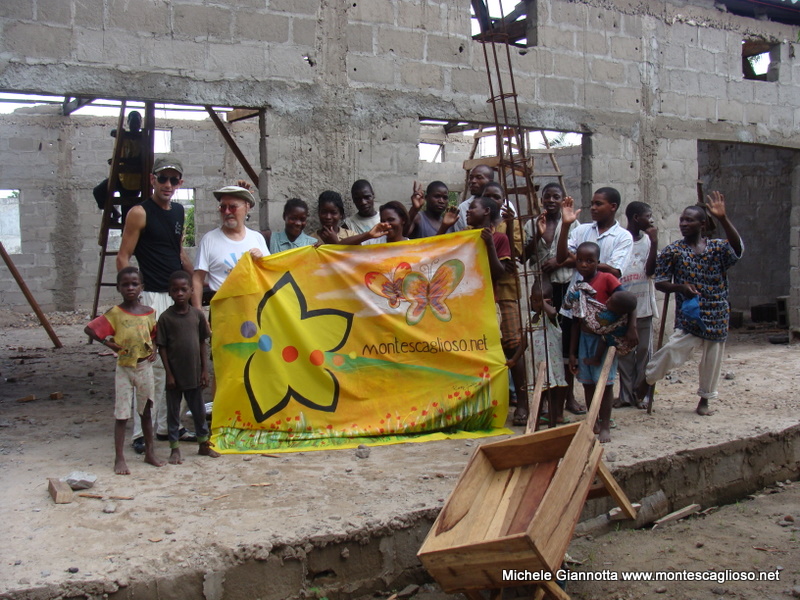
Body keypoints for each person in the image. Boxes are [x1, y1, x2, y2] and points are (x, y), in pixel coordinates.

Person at [117, 155, 195, 454]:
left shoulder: (178, 211)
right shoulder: (139, 213)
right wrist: (132, 300)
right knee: (147, 365)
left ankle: (167, 426)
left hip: (176, 298)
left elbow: (178, 252)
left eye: (173, 180)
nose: (167, 184)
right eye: (162, 178)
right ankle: (141, 432)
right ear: (153, 180)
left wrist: (196, 283)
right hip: (150, 297)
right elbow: (124, 256)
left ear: (180, 183)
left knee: (178, 363)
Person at [644, 192, 743, 416]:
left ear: (702, 224)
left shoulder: (717, 248)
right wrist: (680, 287)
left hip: (717, 313)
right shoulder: (674, 251)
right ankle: (647, 380)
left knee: (712, 360)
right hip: (690, 315)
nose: (684, 224)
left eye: (689, 220)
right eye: (682, 220)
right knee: (671, 350)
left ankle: (705, 400)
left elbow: (737, 250)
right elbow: (660, 282)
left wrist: (723, 218)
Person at [556, 187, 633, 415]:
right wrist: (566, 226)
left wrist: (579, 261)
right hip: (576, 308)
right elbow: (561, 257)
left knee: (603, 369)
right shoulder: (582, 230)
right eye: (592, 203)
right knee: (572, 358)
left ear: (613, 207)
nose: (593, 208)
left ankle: (603, 416)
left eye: (599, 204)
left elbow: (615, 270)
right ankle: (573, 402)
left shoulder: (623, 237)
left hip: (604, 313)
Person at [84, 267, 164, 474]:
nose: (130, 288)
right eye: (125, 285)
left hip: (144, 367)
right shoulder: (115, 313)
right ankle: (119, 458)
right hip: (125, 369)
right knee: (121, 415)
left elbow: (154, 334)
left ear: (142, 287)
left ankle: (150, 453)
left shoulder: (149, 312)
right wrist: (108, 343)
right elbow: (90, 329)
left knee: (146, 411)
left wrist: (154, 349)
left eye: (134, 284)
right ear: (118, 288)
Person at [564, 242, 636, 443]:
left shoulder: (607, 279)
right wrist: (572, 353)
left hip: (605, 339)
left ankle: (605, 425)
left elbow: (629, 302)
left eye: (589, 261)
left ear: (598, 261)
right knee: (587, 383)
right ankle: (593, 420)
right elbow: (576, 322)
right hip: (585, 339)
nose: (583, 265)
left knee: (605, 383)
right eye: (579, 260)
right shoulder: (579, 288)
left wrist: (632, 327)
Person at [523, 183, 578, 416]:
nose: (551, 201)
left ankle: (569, 397)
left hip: (565, 285)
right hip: (541, 289)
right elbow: (523, 256)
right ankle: (544, 399)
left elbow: (581, 256)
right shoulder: (531, 224)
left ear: (563, 199)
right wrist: (537, 234)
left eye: (556, 197)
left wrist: (559, 261)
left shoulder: (573, 223)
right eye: (548, 197)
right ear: (541, 199)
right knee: (543, 342)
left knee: (565, 343)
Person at [157, 271, 220, 464]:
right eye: (175, 290)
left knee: (199, 411)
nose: (179, 293)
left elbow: (202, 343)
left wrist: (204, 370)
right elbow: (162, 348)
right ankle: (174, 448)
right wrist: (169, 374)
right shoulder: (165, 318)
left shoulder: (197, 315)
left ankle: (203, 444)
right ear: (169, 292)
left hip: (194, 374)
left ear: (191, 291)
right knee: (173, 413)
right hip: (175, 376)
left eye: (183, 289)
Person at [192, 185, 269, 309]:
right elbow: (197, 279)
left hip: (254, 309)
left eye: (232, 207)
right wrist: (198, 312)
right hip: (223, 311)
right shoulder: (209, 239)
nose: (227, 212)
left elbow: (268, 275)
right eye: (223, 207)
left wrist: (261, 260)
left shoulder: (257, 238)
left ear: (247, 207)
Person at [507, 279, 568, 426]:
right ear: (530, 300)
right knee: (538, 395)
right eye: (535, 300)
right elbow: (524, 342)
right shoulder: (530, 319)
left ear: (549, 300)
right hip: (536, 365)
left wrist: (544, 304)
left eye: (542, 300)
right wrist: (514, 360)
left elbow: (552, 312)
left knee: (552, 396)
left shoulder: (550, 318)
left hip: (552, 367)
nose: (538, 304)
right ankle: (534, 424)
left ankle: (552, 425)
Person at [616, 201, 659, 409]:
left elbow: (650, 271)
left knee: (644, 352)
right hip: (623, 307)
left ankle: (642, 394)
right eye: (648, 216)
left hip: (644, 306)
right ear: (635, 218)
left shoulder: (648, 241)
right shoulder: (620, 240)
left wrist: (655, 242)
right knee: (624, 352)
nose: (651, 220)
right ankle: (625, 395)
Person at [93, 111, 144, 224]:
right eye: (132, 121)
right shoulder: (124, 136)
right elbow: (113, 132)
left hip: (135, 183)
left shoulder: (143, 139)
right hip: (121, 178)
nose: (134, 124)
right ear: (128, 122)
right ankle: (114, 212)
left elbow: (139, 160)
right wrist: (118, 133)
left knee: (127, 219)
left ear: (140, 123)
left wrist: (120, 160)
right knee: (98, 191)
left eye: (137, 121)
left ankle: (125, 230)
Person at [582, 290, 639, 366]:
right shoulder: (624, 310)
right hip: (622, 341)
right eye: (609, 298)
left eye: (610, 303)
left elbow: (597, 329)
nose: (607, 301)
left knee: (604, 339)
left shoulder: (612, 318)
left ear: (618, 310)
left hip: (618, 342)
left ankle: (596, 359)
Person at [453, 165, 495, 232]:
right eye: (471, 178)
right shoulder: (463, 207)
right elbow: (460, 236)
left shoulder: (504, 205)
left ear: (491, 182)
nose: (473, 181)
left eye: (479, 177)